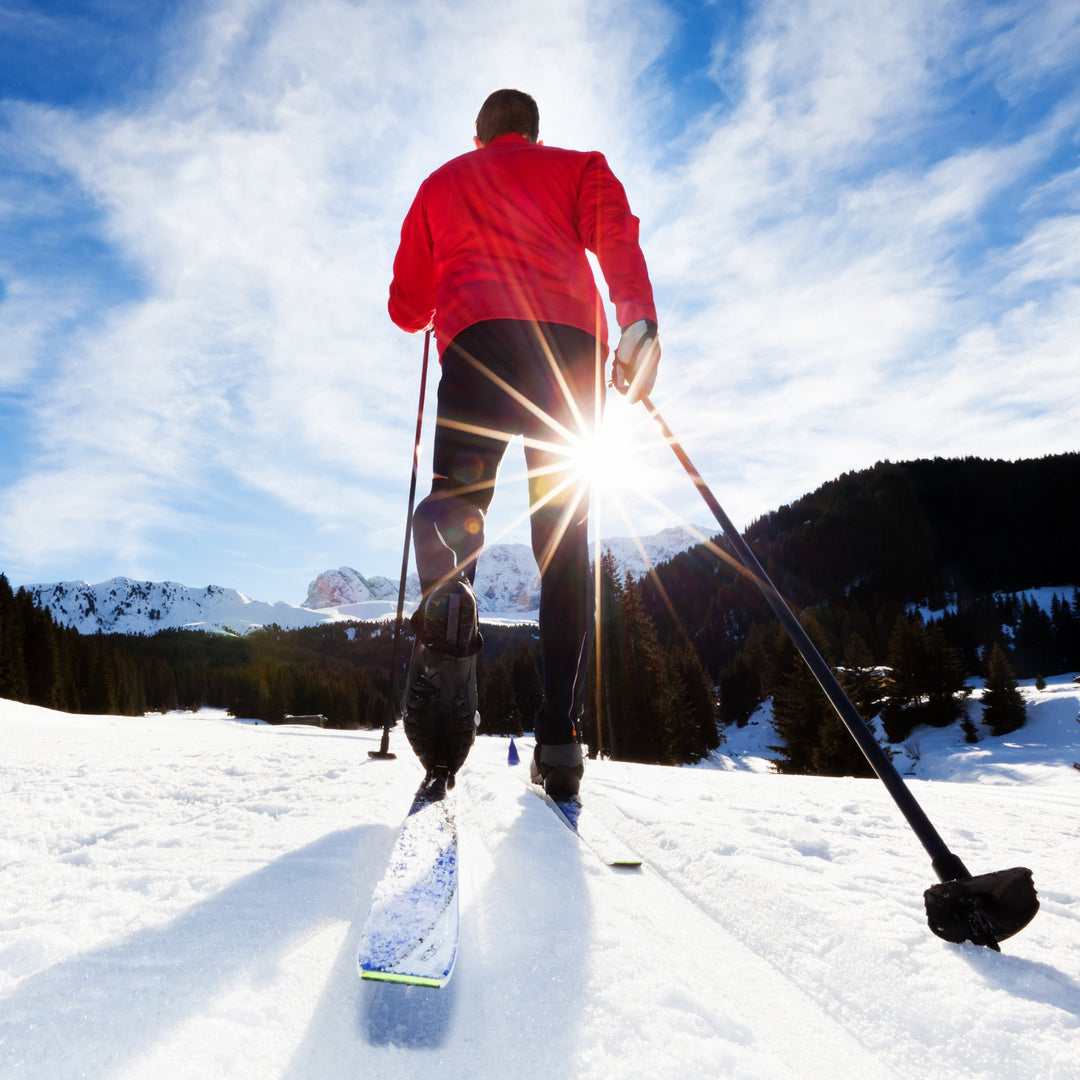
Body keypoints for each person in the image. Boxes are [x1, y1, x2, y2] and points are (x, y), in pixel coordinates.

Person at [388, 88, 660, 797]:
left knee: (460, 500)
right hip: (567, 352)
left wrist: (427, 309)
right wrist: (636, 321)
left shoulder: (440, 184)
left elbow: (406, 307)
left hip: (477, 343)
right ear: (534, 135)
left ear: (479, 138)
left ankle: (451, 590)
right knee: (563, 540)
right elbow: (617, 240)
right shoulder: (579, 168)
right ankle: (561, 738)